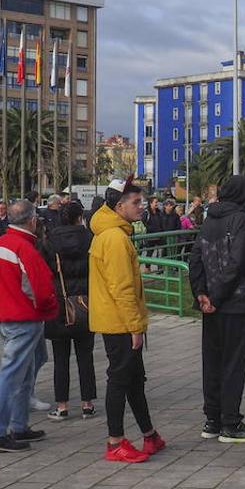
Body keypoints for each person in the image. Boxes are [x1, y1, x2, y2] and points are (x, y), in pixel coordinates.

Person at [89, 181, 165, 463]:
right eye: (136, 202)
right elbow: (122, 288)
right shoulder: (115, 238)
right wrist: (135, 326)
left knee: (134, 380)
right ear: (119, 207)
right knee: (120, 380)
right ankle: (115, 442)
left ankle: (149, 434)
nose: (141, 206)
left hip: (118, 319)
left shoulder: (112, 233)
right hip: (119, 322)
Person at [190, 175, 245, 443]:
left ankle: (212, 419)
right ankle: (230, 423)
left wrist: (201, 293)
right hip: (236, 302)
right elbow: (238, 262)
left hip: (212, 303)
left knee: (212, 362)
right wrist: (215, 297)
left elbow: (195, 257)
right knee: (233, 363)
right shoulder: (242, 221)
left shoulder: (210, 220)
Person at [0, 200, 59, 452]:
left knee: (22, 372)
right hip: (23, 318)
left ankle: (18, 426)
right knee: (12, 374)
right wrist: (48, 309)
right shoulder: (25, 248)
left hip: (5, 316)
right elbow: (39, 288)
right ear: (32, 220)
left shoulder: (0, 244)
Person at [46, 202, 98, 423]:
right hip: (86, 301)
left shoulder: (50, 242)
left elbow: (46, 269)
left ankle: (62, 405)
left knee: (61, 357)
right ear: (80, 218)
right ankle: (87, 404)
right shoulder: (89, 238)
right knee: (86, 355)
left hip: (59, 302)